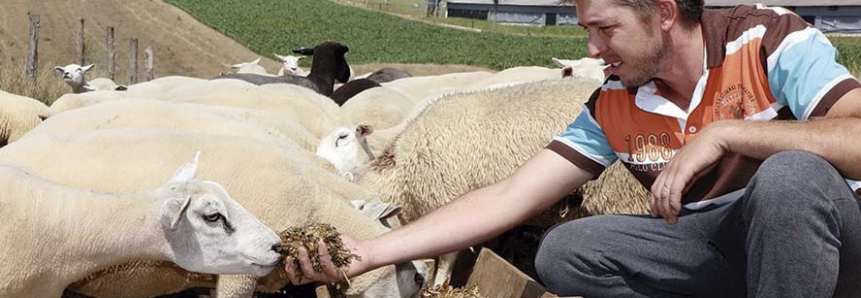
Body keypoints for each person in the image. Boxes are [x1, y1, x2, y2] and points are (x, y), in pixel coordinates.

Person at [286, 0, 861, 297]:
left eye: (604, 28)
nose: (591, 47)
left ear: (662, 13)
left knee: (791, 178)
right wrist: (371, 251)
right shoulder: (614, 100)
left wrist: (726, 133)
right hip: (722, 253)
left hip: (829, 244)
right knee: (567, 249)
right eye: (585, 28)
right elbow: (509, 196)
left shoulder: (768, 39)